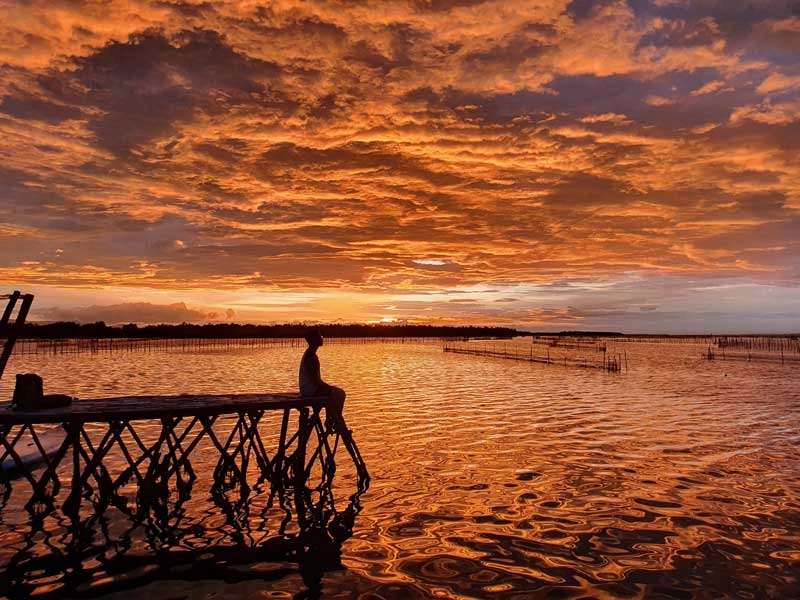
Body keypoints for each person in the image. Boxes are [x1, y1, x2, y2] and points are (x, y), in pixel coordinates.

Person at [299, 328, 346, 431]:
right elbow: (315, 381)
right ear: (315, 340)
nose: (322, 338)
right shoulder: (311, 357)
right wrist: (329, 388)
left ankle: (331, 419)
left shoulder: (310, 354)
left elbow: (316, 380)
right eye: (320, 336)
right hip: (310, 391)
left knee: (334, 393)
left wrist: (329, 388)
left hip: (309, 390)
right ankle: (333, 420)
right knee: (340, 394)